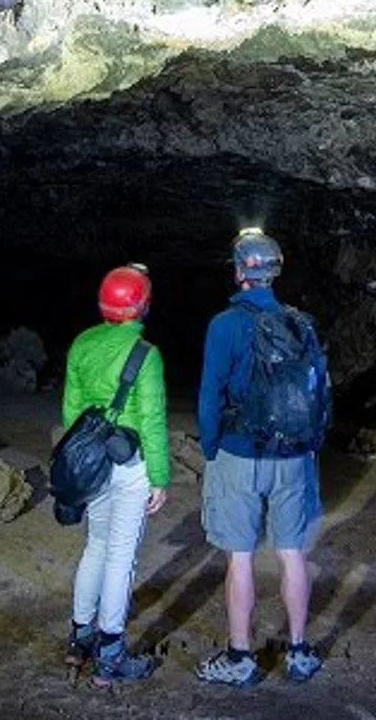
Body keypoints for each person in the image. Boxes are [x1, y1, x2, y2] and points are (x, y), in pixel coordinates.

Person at [195, 228, 331, 687]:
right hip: (293, 455)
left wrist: (210, 445)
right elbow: (320, 392)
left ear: (239, 272)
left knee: (241, 556)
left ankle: (239, 656)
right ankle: (298, 651)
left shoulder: (225, 324)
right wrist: (311, 447)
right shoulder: (303, 324)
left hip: (239, 452)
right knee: (292, 552)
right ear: (276, 272)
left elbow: (210, 394)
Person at [61, 264, 171, 686]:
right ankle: (110, 654)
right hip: (129, 466)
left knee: (96, 546)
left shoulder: (82, 343)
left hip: (93, 464)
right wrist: (160, 476)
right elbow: (153, 421)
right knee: (121, 558)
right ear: (143, 305)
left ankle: (79, 638)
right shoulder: (145, 353)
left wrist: (86, 455)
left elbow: (71, 412)